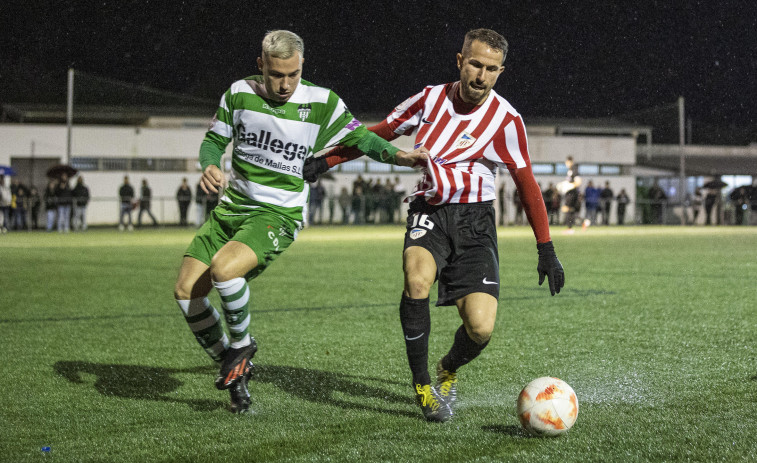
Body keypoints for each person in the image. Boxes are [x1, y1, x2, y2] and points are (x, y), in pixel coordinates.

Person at [305, 28, 565, 422]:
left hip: (477, 221)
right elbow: (377, 135)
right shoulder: (428, 99)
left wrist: (545, 248)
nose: (481, 75)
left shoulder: (506, 120)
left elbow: (526, 183)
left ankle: (448, 368)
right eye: (475, 64)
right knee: (417, 280)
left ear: (500, 72)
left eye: (491, 69)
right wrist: (329, 161)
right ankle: (424, 386)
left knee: (479, 329)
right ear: (460, 61)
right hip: (429, 209)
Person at [172, 30, 426, 415]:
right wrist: (208, 163)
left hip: (278, 214)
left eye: (292, 74)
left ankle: (240, 347)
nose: (285, 84)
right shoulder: (238, 94)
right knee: (186, 291)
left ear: (302, 66)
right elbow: (213, 141)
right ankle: (236, 369)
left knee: (225, 270)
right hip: (231, 210)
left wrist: (400, 156)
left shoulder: (322, 102)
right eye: (276, 75)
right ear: (261, 66)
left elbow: (362, 140)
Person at [559, 156, 582, 233]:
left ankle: (569, 228)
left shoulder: (574, 169)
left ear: (570, 161)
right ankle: (583, 221)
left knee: (566, 208)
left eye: (567, 162)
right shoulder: (570, 170)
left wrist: (569, 186)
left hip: (572, 193)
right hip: (570, 193)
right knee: (571, 210)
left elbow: (578, 182)